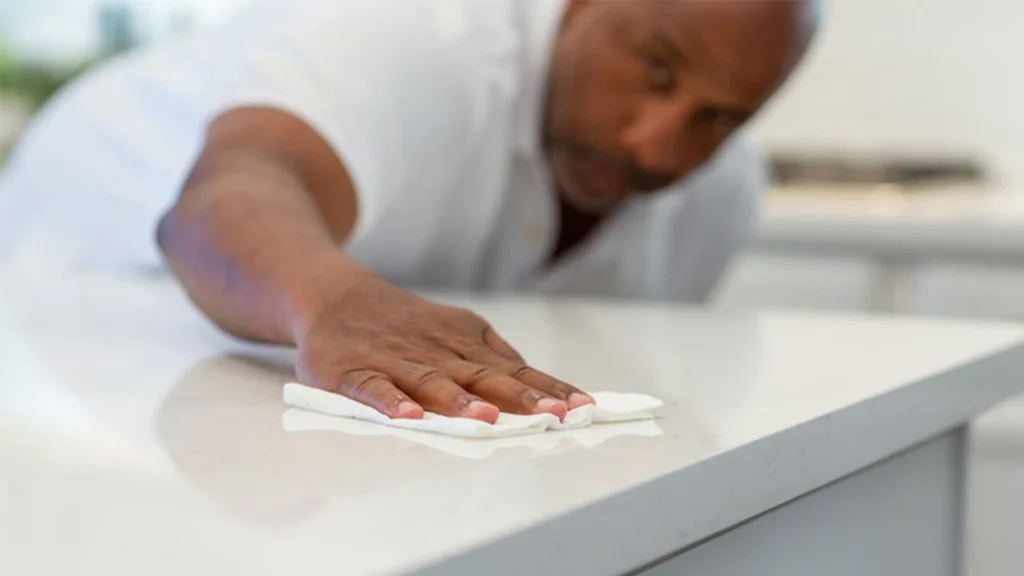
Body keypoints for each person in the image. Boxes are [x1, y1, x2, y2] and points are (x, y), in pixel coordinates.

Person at [0, 0, 818, 423]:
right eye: (657, 68)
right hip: (85, 268)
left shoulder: (720, 201)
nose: (656, 147)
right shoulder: (423, 29)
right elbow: (227, 194)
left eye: (720, 119)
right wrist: (338, 301)